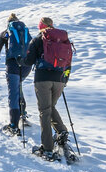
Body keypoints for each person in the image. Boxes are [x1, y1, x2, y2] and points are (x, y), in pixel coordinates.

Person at [20, 16, 72, 160]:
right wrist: (64, 80)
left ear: (40, 26)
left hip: (43, 78)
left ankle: (47, 147)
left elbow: (29, 61)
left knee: (44, 111)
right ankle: (61, 131)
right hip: (60, 79)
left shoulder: (38, 39)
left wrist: (21, 60)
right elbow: (68, 62)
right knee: (50, 107)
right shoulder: (63, 40)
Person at [0, 13, 33, 135]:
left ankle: (14, 124)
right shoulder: (25, 31)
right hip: (26, 66)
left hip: (13, 65)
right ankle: (23, 113)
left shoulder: (6, 32)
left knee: (13, 93)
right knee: (18, 85)